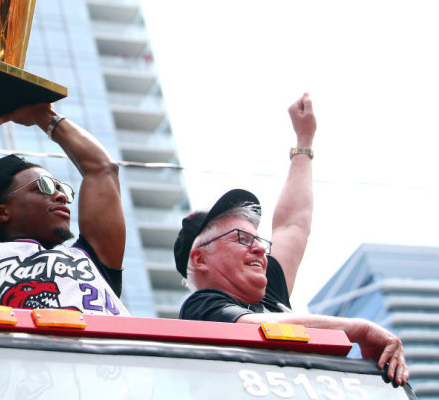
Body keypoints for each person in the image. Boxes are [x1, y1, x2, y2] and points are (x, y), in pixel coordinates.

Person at [173, 96, 409, 386]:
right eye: (243, 239)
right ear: (200, 258)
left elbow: (292, 224)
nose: (260, 247)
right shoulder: (202, 307)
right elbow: (254, 328)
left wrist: (304, 141)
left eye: (259, 239)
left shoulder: (268, 293)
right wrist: (358, 330)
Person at [0, 70, 129, 315]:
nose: (60, 196)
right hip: (23, 354)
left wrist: (44, 115)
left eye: (62, 189)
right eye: (44, 187)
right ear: (1, 212)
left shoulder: (94, 258)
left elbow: (103, 168)